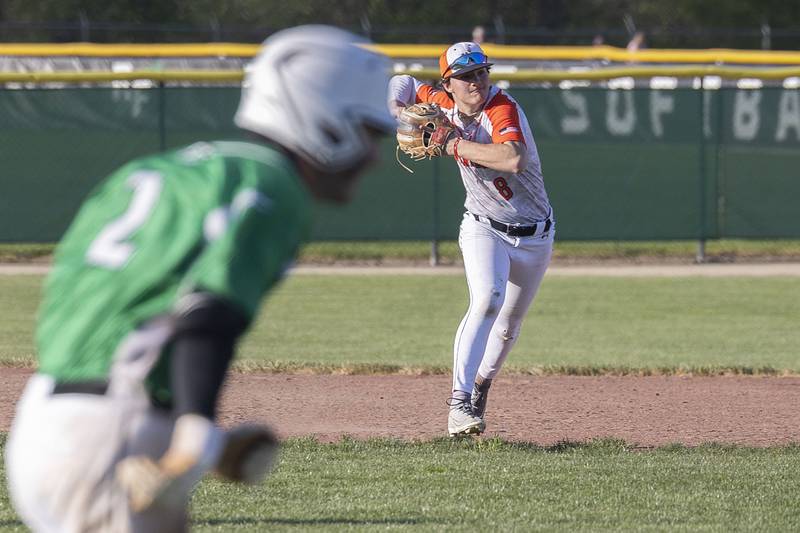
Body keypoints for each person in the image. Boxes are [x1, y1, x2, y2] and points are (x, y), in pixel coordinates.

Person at [5, 25, 394, 532]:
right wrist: (195, 434)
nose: (373, 155)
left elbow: (103, 307)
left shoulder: (154, 173)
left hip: (42, 423)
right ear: (324, 117)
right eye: (368, 132)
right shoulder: (272, 186)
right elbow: (206, 314)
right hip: (116, 438)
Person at [388, 42, 554, 437]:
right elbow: (403, 81)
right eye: (465, 76)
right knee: (487, 300)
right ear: (450, 83)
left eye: (481, 71)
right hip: (482, 225)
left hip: (535, 234)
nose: (476, 80)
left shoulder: (501, 107)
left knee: (509, 326)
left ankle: (480, 386)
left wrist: (450, 145)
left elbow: (514, 158)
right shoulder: (440, 100)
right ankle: (459, 403)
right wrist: (397, 109)